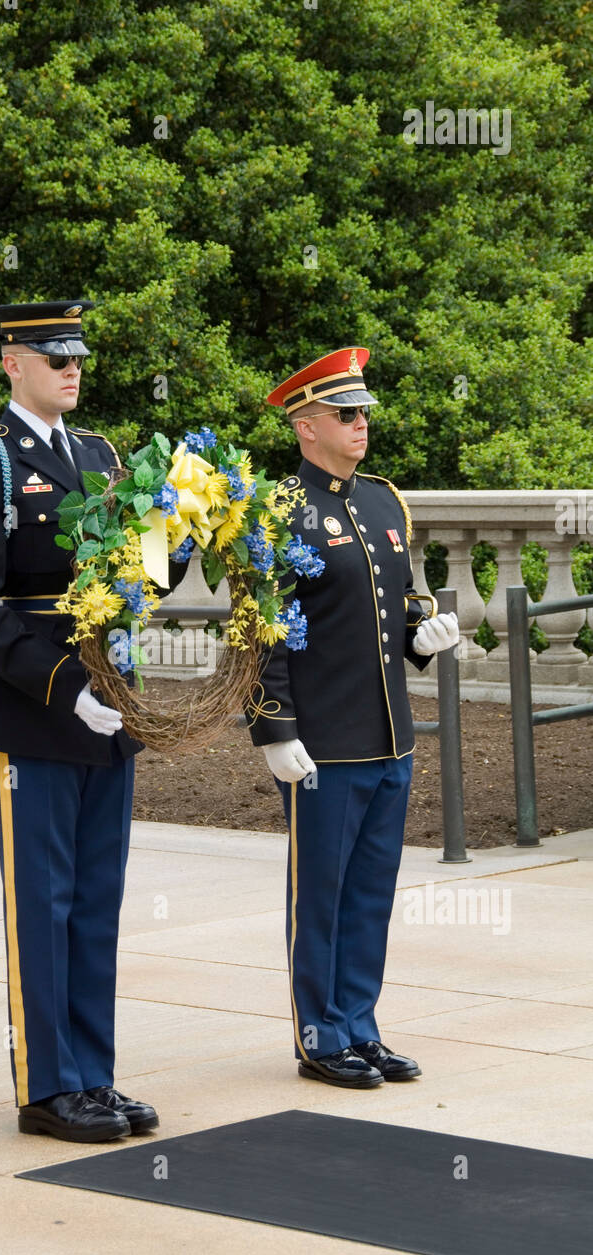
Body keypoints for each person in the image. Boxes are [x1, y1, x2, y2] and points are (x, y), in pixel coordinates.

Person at [0, 298, 163, 1142]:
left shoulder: (102, 455)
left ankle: (92, 1078)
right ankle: (46, 1088)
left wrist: (178, 535)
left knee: (96, 899)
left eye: (77, 356)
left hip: (111, 706)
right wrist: (65, 684)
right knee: (46, 900)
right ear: (11, 365)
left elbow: (133, 573)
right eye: (53, 356)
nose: (71, 369)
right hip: (37, 710)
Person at [247, 347, 459, 1088]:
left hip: (388, 735)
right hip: (321, 742)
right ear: (306, 427)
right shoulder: (276, 511)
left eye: (362, 411)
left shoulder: (381, 500)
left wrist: (421, 636)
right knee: (323, 896)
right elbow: (260, 628)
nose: (360, 422)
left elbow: (398, 601)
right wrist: (274, 728)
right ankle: (319, 1034)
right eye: (345, 414)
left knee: (369, 894)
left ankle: (360, 1027)